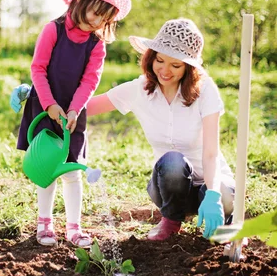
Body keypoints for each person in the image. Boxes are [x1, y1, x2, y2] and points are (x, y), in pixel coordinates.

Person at [85, 18, 235, 241]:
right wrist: (39, 99)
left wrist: (213, 194)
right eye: (160, 60)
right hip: (170, 185)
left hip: (210, 183)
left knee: (222, 195)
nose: (165, 71)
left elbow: (211, 153)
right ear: (151, 57)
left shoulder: (205, 91)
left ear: (189, 68)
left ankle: (225, 220)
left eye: (176, 65)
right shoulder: (140, 89)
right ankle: (171, 221)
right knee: (173, 160)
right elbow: (86, 107)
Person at [11, 0, 131, 248]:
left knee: (72, 171)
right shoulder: (53, 30)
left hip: (74, 113)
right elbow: (38, 69)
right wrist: (49, 104)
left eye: (105, 19)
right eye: (95, 13)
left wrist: (74, 109)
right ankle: (45, 224)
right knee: (47, 167)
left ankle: (74, 228)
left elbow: (89, 81)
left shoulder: (96, 44)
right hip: (44, 104)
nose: (97, 22)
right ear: (81, 3)